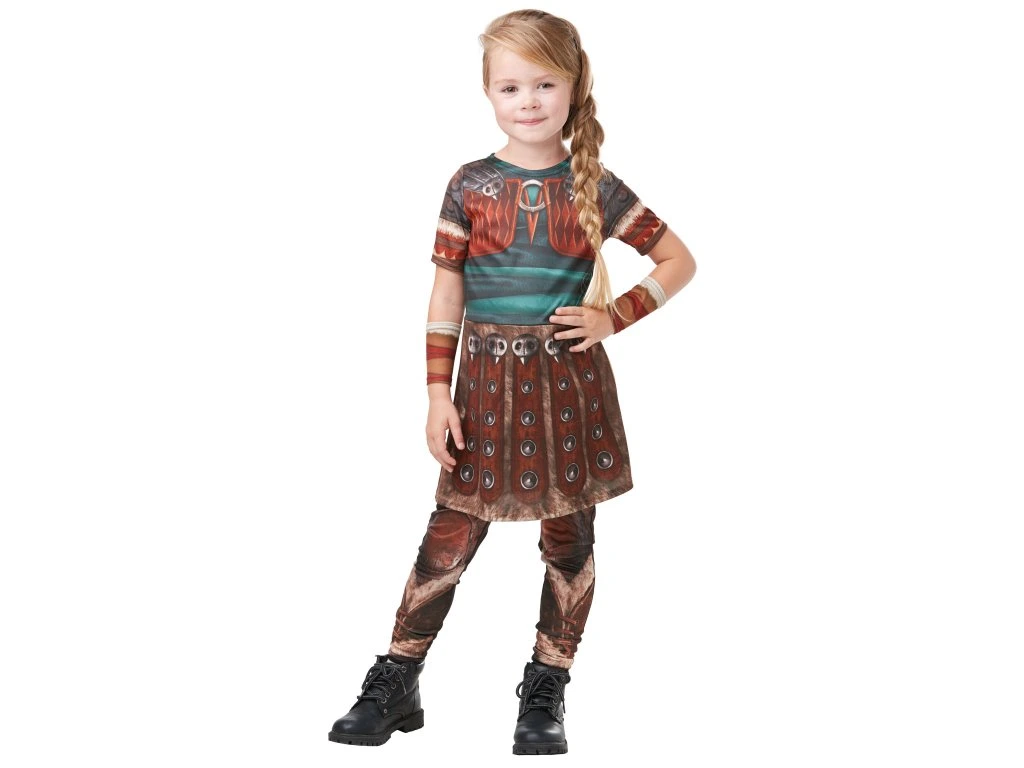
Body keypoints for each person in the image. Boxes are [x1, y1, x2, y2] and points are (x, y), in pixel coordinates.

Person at [328, 8, 696, 756]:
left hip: (571, 391)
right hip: (484, 389)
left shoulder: (597, 187)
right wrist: (437, 394)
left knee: (569, 543)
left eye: (544, 83)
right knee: (448, 538)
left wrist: (614, 317)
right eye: (510, 87)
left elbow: (678, 261)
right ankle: (398, 678)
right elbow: (446, 294)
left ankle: (546, 688)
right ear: (488, 93)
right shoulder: (469, 185)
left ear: (574, 86)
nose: (528, 100)